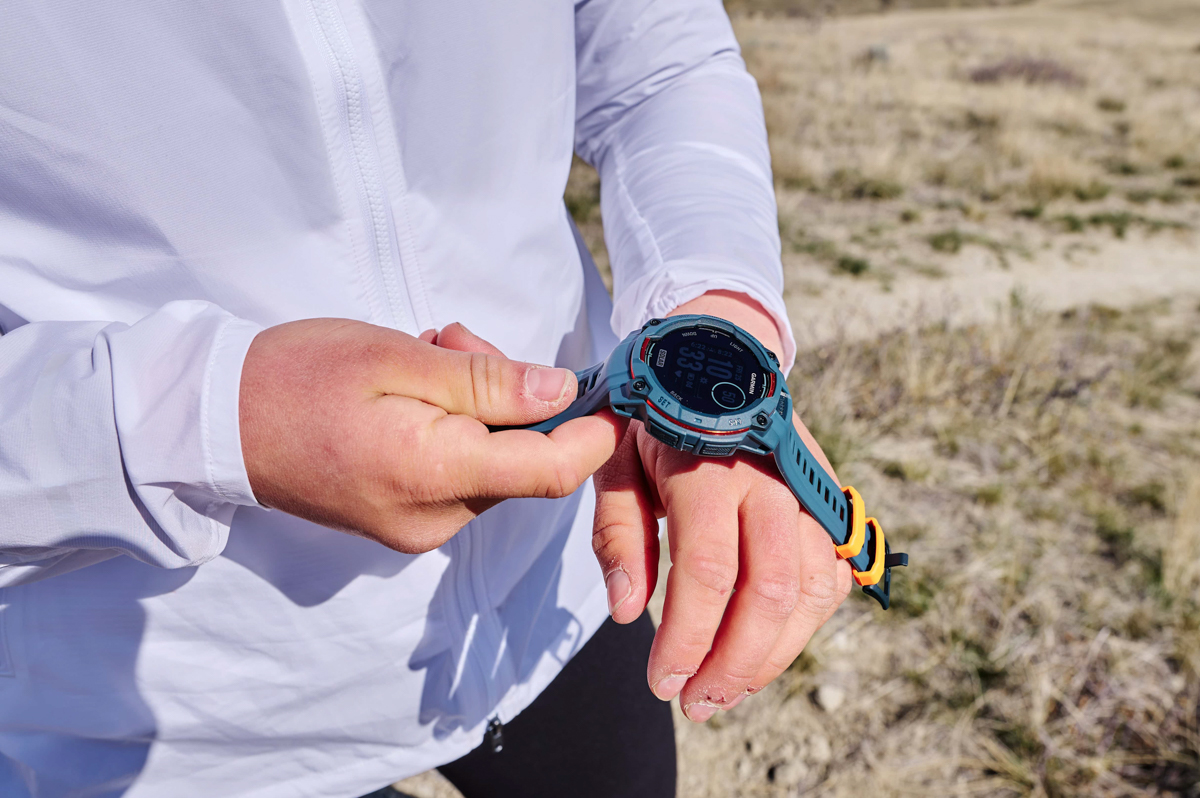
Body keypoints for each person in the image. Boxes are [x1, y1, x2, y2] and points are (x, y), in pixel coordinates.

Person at [0, 1, 853, 796]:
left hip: (565, 579)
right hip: (178, 713)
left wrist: (715, 308)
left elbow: (659, 60)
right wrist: (202, 421)